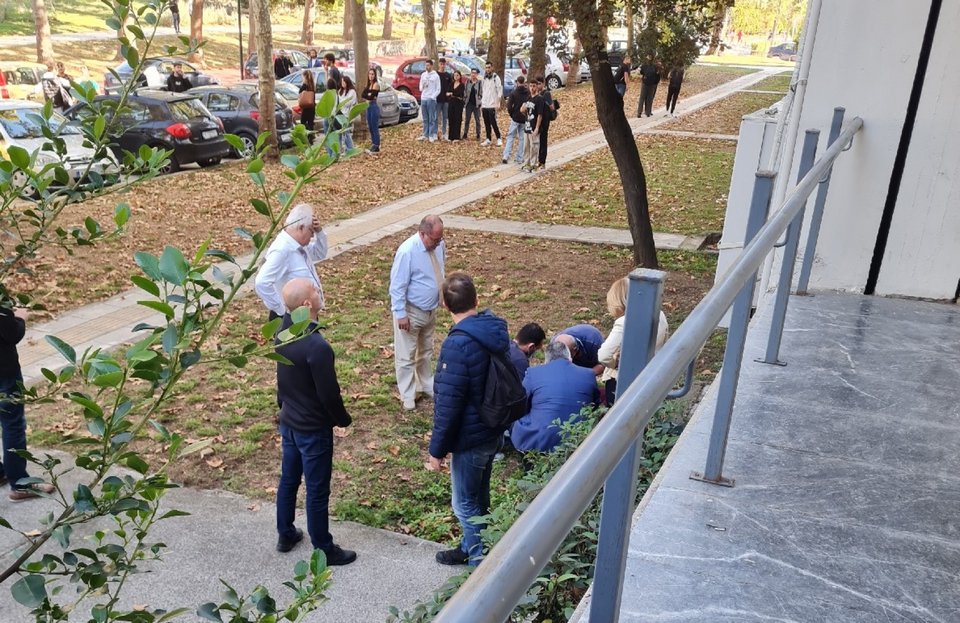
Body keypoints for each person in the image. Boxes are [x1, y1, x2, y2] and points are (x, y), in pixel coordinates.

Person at [428, 272, 511, 566]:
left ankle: (479, 565)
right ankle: (469, 547)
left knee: (464, 504)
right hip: (493, 429)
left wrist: (436, 451)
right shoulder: (495, 330)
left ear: (445, 306)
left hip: (471, 439)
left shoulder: (457, 345)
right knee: (480, 498)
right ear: (476, 300)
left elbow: (448, 404)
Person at [274, 278, 357, 566]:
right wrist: (342, 419)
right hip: (312, 429)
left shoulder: (283, 332)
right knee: (317, 489)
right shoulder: (317, 346)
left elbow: (282, 377)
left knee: (289, 479)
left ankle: (286, 533)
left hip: (289, 422)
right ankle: (324, 548)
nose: (320, 292)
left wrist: (283, 407)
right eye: (316, 290)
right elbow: (328, 394)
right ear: (308, 303)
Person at [389, 215, 445, 411]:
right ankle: (408, 394)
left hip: (430, 310)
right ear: (422, 233)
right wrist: (400, 313)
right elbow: (397, 285)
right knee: (406, 355)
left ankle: (425, 383)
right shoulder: (407, 252)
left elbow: (440, 270)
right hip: (411, 311)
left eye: (440, 239)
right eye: (434, 239)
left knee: (426, 350)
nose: (438, 243)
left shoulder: (439, 245)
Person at [0, 307, 56, 502]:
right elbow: (10, 333)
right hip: (3, 372)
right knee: (12, 424)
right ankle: (20, 484)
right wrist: (19, 319)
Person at [510, 342, 600, 453]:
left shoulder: (533, 373)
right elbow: (594, 405)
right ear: (570, 358)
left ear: (546, 360)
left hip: (537, 441)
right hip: (578, 441)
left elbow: (521, 403)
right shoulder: (588, 374)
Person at [598, 277, 669, 405]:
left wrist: (615, 364)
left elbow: (603, 355)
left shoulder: (623, 322)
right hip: (651, 374)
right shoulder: (660, 314)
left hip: (622, 380)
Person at [255, 203, 328, 320]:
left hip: (305, 313)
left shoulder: (298, 245)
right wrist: (282, 311)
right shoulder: (282, 249)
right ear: (301, 227)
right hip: (293, 318)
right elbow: (262, 282)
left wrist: (319, 232)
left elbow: (319, 253)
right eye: (311, 231)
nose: (312, 237)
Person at [501, 75, 529, 164]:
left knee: (511, 137)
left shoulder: (513, 93)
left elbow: (509, 106)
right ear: (524, 82)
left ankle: (506, 155)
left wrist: (512, 114)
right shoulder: (528, 93)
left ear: (517, 82)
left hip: (515, 118)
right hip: (524, 118)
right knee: (522, 139)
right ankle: (519, 157)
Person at [480, 62, 503, 146]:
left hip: (492, 104)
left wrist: (498, 102)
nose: (487, 69)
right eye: (486, 67)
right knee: (486, 122)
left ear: (492, 68)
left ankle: (499, 138)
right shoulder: (484, 78)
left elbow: (499, 90)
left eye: (489, 67)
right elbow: (483, 91)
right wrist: (482, 103)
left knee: (493, 122)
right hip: (485, 104)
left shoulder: (496, 78)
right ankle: (488, 138)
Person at [520, 79, 541, 172]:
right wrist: (522, 109)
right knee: (526, 146)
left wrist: (537, 128)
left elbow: (540, 115)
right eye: (531, 86)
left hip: (534, 127)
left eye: (534, 86)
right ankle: (526, 163)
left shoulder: (539, 99)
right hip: (527, 125)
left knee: (534, 146)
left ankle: (533, 164)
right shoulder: (528, 98)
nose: (532, 88)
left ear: (537, 87)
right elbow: (524, 111)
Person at [418, 60, 440, 143]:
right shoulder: (423, 75)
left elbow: (438, 89)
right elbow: (420, 87)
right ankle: (425, 134)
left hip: (431, 99)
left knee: (431, 118)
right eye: (426, 65)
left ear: (431, 66)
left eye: (428, 65)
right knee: (425, 118)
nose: (426, 67)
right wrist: (422, 87)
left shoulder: (435, 76)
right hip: (424, 98)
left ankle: (431, 134)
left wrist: (432, 97)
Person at [362, 68, 382, 153]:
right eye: (370, 74)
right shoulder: (369, 85)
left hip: (373, 107)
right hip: (368, 107)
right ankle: (373, 143)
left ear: (375, 75)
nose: (371, 76)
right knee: (370, 126)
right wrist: (368, 96)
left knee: (374, 126)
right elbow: (363, 95)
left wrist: (369, 95)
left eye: (372, 74)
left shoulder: (376, 85)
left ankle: (376, 145)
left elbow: (371, 97)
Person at [536, 77, 553, 169]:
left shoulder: (546, 93)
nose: (538, 86)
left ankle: (542, 161)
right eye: (537, 84)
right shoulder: (537, 94)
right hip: (538, 119)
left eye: (539, 84)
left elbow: (551, 106)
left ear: (543, 84)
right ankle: (538, 159)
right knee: (538, 141)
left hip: (545, 120)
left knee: (543, 140)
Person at [338, 74, 358, 152]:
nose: (342, 83)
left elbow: (349, 102)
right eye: (342, 82)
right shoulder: (340, 91)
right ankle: (343, 148)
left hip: (348, 115)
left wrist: (343, 102)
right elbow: (339, 102)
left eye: (344, 82)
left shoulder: (352, 92)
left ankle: (350, 148)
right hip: (341, 114)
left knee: (347, 133)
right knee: (342, 133)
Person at [462, 68, 482, 140]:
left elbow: (481, 93)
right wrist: (464, 100)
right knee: (467, 119)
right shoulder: (468, 82)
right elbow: (465, 92)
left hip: (476, 104)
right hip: (469, 104)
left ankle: (478, 134)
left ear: (477, 74)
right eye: (472, 73)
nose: (473, 74)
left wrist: (480, 101)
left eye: (475, 73)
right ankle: (465, 133)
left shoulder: (479, 83)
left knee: (477, 120)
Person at [298, 69, 318, 143]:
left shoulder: (304, 86)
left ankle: (305, 138)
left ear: (305, 77)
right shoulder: (312, 85)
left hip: (306, 108)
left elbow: (300, 92)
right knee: (310, 123)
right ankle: (311, 138)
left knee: (303, 122)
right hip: (312, 107)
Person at [436, 58, 453, 141]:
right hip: (437, 99)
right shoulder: (436, 74)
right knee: (436, 117)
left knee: (445, 117)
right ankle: (436, 133)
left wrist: (449, 94)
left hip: (446, 100)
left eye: (444, 64)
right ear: (439, 64)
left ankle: (444, 133)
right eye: (441, 64)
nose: (442, 66)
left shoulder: (448, 75)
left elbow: (451, 87)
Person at [448, 70, 465, 142]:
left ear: (460, 76)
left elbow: (460, 94)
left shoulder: (462, 85)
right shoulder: (451, 84)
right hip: (451, 103)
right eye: (454, 75)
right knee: (451, 119)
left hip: (458, 104)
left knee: (457, 119)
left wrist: (453, 94)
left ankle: (457, 136)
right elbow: (447, 92)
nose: (456, 76)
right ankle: (451, 136)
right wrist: (449, 94)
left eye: (457, 75)